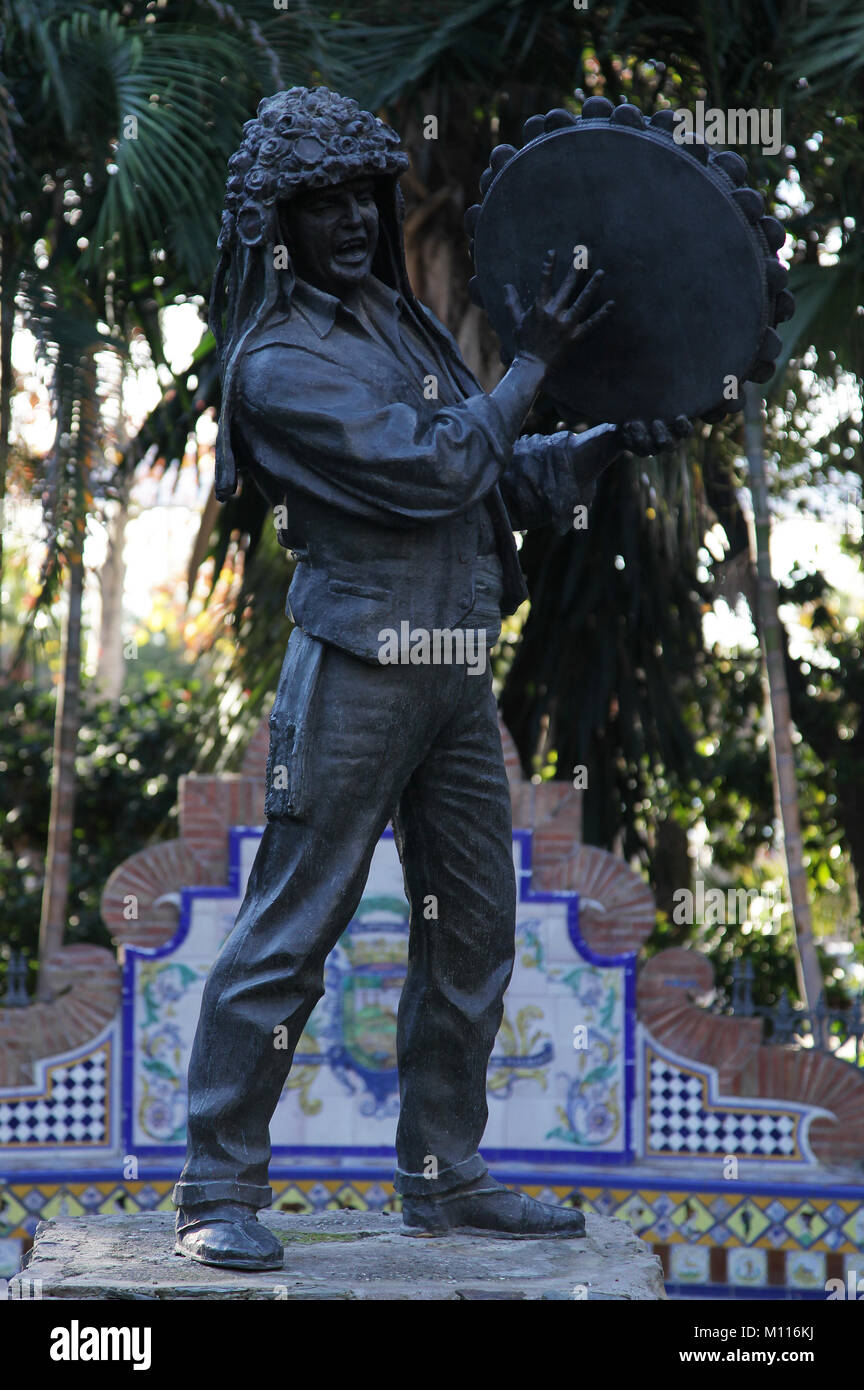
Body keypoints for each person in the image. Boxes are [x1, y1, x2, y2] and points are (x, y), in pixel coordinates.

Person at [173, 86, 688, 1270]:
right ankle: (216, 1186)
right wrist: (538, 365)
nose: (353, 220)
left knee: (472, 932)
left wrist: (609, 435)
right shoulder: (274, 364)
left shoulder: (403, 332)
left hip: (454, 667)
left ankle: (444, 1176)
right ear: (278, 224)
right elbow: (434, 468)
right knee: (293, 926)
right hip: (357, 667)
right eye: (322, 203)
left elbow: (500, 478)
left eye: (365, 195)